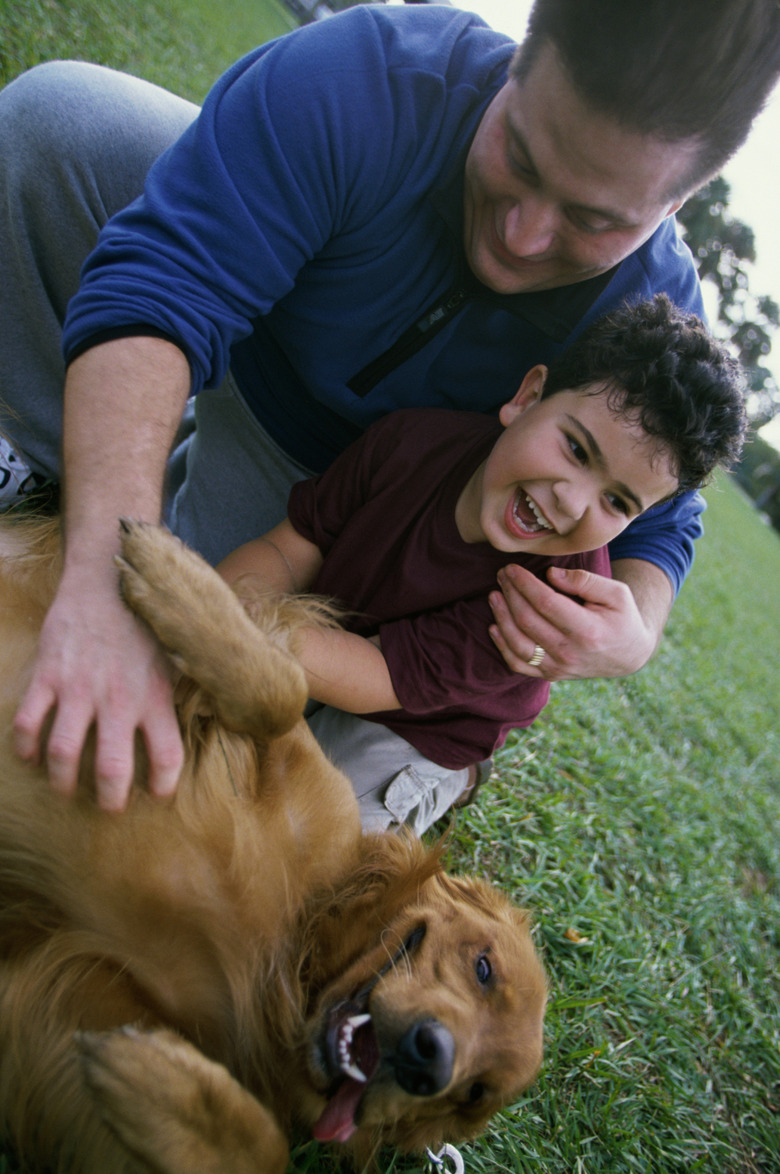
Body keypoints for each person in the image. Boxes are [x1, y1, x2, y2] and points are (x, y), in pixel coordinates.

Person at [0, 0, 777, 811]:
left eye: (592, 221)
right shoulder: (375, 70)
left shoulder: (654, 308)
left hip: (345, 483)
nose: (522, 234)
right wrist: (99, 580)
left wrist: (634, 632)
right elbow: (166, 279)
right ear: (518, 60)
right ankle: (38, 462)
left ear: (673, 206)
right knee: (63, 122)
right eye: (520, 152)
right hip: (254, 333)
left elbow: (665, 518)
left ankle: (159, 468)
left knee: (186, 692)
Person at [217, 296, 747, 833]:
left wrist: (236, 628)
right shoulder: (410, 440)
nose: (572, 501)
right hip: (335, 647)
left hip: (422, 722)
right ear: (527, 397)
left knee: (299, 826)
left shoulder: (546, 601)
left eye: (616, 503)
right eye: (577, 450)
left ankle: (458, 776)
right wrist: (223, 597)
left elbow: (380, 677)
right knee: (212, 711)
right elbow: (293, 546)